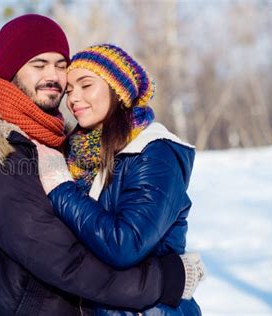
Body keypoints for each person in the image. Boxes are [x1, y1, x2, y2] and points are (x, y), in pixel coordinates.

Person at [0, 14, 204, 316]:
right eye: (38, 65)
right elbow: (65, 260)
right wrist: (165, 279)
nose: (54, 77)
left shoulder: (56, 146)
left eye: (60, 65)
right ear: (12, 71)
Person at [35, 43, 203, 315]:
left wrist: (61, 187)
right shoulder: (80, 156)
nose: (73, 98)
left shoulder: (154, 152)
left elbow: (125, 244)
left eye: (86, 85)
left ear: (118, 89)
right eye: (69, 90)